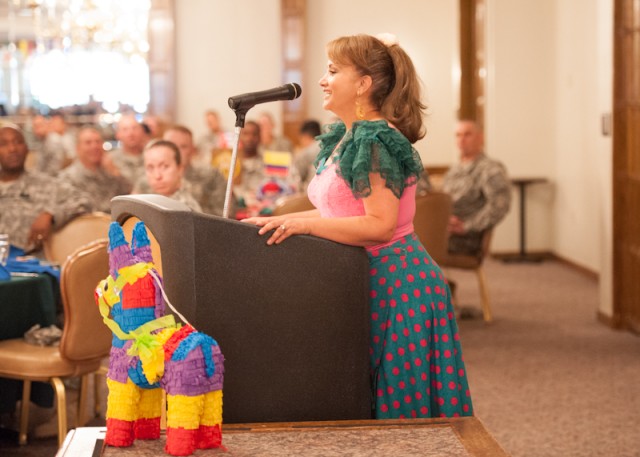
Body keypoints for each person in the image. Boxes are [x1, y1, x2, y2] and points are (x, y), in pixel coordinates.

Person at [242, 33, 473, 419]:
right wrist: (283, 220)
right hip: (368, 280)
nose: (322, 80)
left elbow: (380, 226)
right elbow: (340, 212)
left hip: (401, 288)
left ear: (364, 84)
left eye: (333, 71)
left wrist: (304, 227)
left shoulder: (376, 141)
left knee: (404, 422)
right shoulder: (349, 137)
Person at [0, 123, 92, 254]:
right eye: (4, 144)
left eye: (18, 142)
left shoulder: (45, 185)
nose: (12, 149)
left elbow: (84, 200)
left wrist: (51, 215)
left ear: (27, 148)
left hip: (31, 266)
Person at [442, 120, 511, 257]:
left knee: (407, 242)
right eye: (458, 135)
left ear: (480, 138)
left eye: (467, 135)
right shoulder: (455, 169)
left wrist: (467, 226)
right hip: (444, 230)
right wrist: (445, 217)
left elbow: (500, 206)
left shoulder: (490, 169)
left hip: (466, 239)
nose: (461, 140)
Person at [135, 125, 228, 216]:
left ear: (192, 150)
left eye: (183, 146)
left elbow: (222, 216)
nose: (157, 175)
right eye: (170, 144)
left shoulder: (211, 176)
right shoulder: (144, 182)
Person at [59, 126, 132, 213]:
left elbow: (129, 194)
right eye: (88, 143)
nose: (94, 146)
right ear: (78, 148)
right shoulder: (67, 178)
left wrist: (115, 172)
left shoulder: (110, 170)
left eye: (98, 142)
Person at [136, 139, 202, 212]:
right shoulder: (144, 195)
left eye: (165, 167)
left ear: (180, 169)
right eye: (150, 168)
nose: (157, 176)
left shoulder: (186, 209)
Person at [103, 114, 149, 186]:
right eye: (125, 129)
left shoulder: (151, 155)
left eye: (134, 128)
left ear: (142, 132)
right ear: (117, 134)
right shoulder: (110, 159)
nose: (131, 133)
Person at [290, 119, 322, 192]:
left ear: (305, 136)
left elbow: (296, 180)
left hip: (311, 194)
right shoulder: (330, 147)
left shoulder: (305, 153)